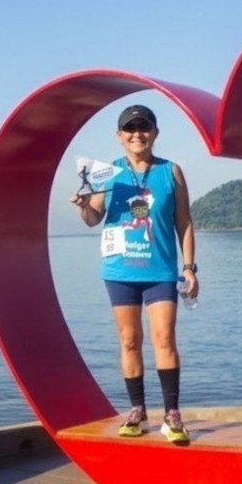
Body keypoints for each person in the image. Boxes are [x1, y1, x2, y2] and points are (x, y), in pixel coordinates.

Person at [68, 104, 199, 444]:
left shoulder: (171, 171)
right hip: (120, 271)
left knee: (164, 338)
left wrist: (189, 268)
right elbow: (93, 218)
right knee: (129, 340)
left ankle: (172, 415)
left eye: (144, 127)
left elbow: (183, 222)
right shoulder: (106, 174)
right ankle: (137, 411)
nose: (137, 134)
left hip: (160, 270)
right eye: (130, 128)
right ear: (119, 136)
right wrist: (84, 207)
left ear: (155, 133)